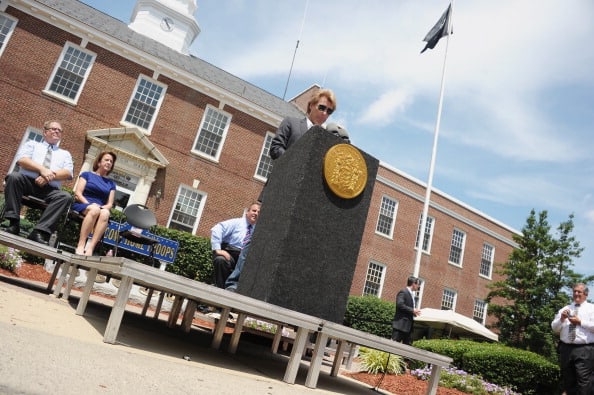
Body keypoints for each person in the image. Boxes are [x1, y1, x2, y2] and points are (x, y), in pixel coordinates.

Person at [2, 120, 73, 244]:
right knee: (13, 177)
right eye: (53, 129)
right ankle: (14, 223)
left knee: (65, 197)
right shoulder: (32, 144)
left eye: (59, 130)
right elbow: (22, 160)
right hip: (27, 183)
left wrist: (48, 176)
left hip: (50, 190)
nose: (57, 131)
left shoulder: (65, 154)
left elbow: (68, 173)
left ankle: (38, 232)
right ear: (45, 132)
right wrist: (42, 169)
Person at [269, 88, 341, 160]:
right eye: (321, 107)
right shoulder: (291, 123)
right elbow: (275, 148)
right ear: (311, 105)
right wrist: (293, 162)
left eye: (329, 111)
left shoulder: (326, 138)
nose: (324, 113)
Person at [551, 283, 594, 394]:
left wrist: (580, 322)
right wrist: (561, 319)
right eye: (574, 291)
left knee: (584, 381)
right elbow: (554, 328)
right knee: (568, 381)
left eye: (579, 291)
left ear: (586, 294)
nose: (576, 294)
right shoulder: (565, 309)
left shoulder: (591, 309)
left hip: (584, 349)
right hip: (566, 349)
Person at [72, 151, 117, 256]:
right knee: (94, 210)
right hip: (83, 203)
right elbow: (78, 193)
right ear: (99, 162)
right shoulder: (86, 175)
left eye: (111, 161)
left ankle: (90, 248)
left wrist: (101, 207)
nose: (109, 162)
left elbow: (110, 204)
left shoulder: (111, 184)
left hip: (99, 208)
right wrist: (90, 205)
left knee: (105, 213)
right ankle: (81, 244)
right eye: (106, 160)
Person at [211, 202, 260, 288]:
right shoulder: (236, 223)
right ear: (247, 212)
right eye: (254, 210)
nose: (256, 213)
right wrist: (217, 249)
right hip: (231, 255)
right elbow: (217, 229)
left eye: (258, 212)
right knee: (220, 260)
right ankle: (220, 290)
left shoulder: (259, 230)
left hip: (246, 259)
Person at [392, 276, 422, 345]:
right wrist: (412, 310)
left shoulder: (412, 294)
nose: (418, 286)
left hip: (408, 328)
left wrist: (414, 313)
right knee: (393, 347)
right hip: (400, 326)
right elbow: (400, 305)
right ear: (413, 284)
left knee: (406, 349)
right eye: (418, 284)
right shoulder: (403, 292)